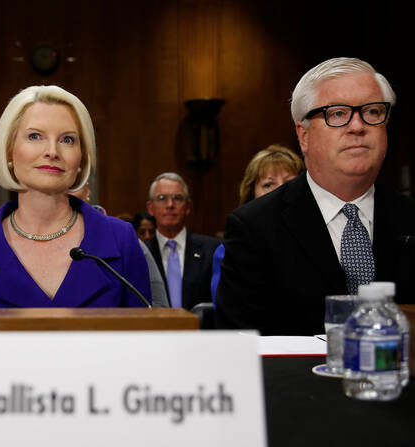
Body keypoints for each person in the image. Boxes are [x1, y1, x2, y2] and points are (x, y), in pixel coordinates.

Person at [215, 57, 415, 335]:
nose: (357, 126)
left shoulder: (408, 218)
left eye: (371, 111)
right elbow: (238, 345)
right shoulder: (254, 227)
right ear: (303, 135)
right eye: (337, 114)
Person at [0, 85, 150, 317]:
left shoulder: (121, 240)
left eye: (67, 140)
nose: (52, 151)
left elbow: (141, 344)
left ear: (82, 158)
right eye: (35, 136)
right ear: (9, 151)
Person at [210, 145, 304, 301]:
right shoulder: (231, 250)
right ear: (251, 194)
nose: (280, 191)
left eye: (290, 182)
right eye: (268, 184)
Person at [145, 173, 220, 310]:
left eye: (177, 198)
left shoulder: (211, 249)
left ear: (188, 206)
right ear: (150, 208)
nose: (170, 205)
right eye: (162, 198)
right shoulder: (141, 252)